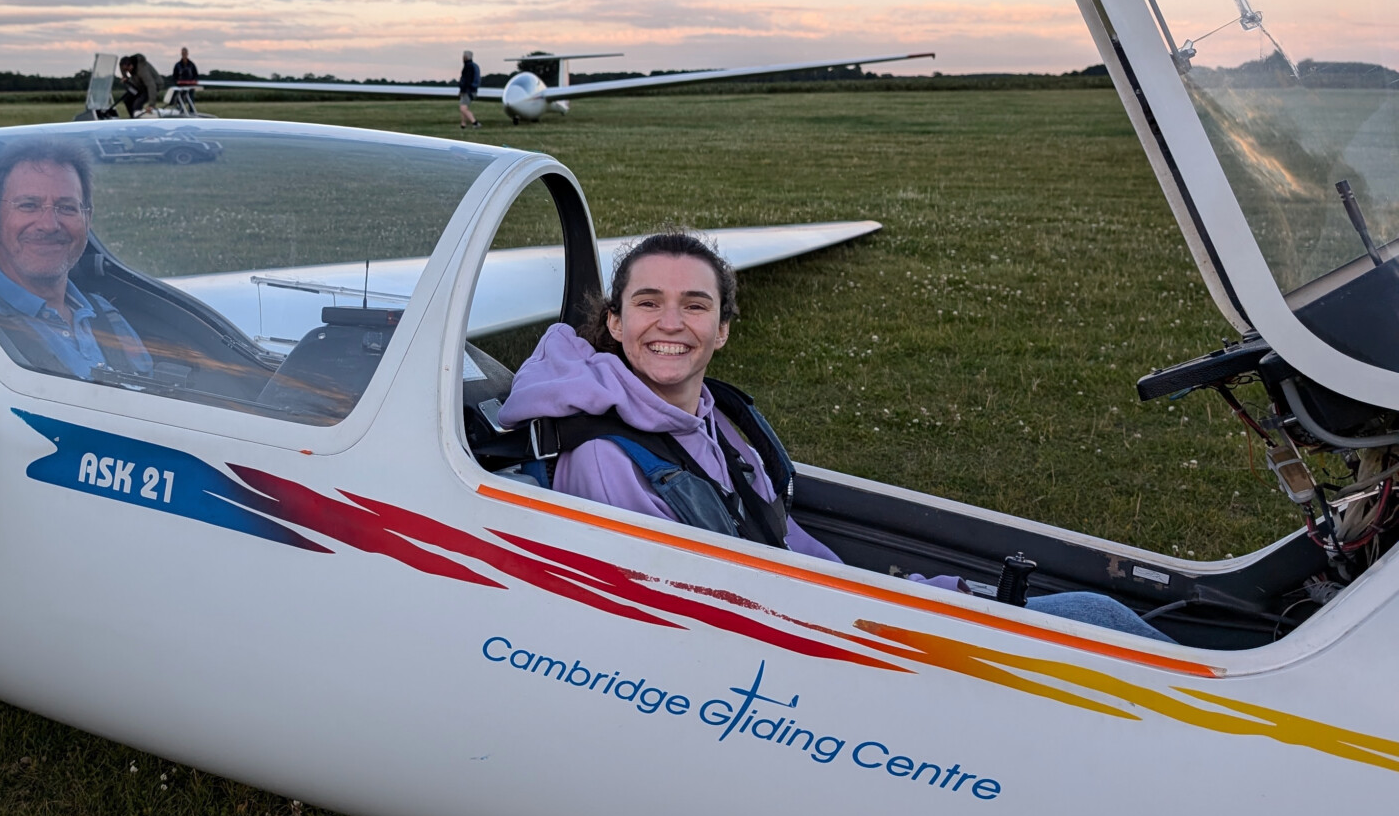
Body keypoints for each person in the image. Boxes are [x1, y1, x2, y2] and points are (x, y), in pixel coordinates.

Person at [498, 232, 1169, 641]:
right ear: (614, 323)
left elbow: (787, 545)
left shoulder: (717, 418)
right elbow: (691, 626)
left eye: (694, 305)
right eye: (648, 303)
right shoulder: (607, 462)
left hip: (825, 614)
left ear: (723, 330)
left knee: (1098, 610)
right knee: (1097, 619)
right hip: (800, 659)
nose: (669, 323)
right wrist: (913, 620)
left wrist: (930, 593)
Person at [0, 137, 151, 381]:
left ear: (87, 220)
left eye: (67, 208)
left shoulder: (103, 313)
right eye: (28, 205)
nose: (49, 225)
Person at [118, 53, 162, 118]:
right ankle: (133, 117)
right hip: (141, 85)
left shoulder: (142, 70)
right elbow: (122, 68)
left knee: (137, 104)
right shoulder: (129, 66)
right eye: (125, 70)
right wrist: (125, 77)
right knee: (127, 99)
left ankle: (138, 120)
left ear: (131, 65)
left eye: (127, 69)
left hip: (153, 86)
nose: (127, 71)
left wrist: (151, 105)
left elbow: (151, 85)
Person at [169, 46, 200, 115]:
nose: (184, 54)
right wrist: (177, 82)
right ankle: (181, 112)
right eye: (183, 53)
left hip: (190, 87)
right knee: (180, 101)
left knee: (191, 100)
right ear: (181, 54)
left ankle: (192, 113)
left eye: (185, 53)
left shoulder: (191, 65)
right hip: (181, 87)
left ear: (187, 54)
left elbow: (196, 75)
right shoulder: (177, 65)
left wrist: (193, 81)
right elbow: (174, 77)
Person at [458, 50, 482, 129]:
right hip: (473, 90)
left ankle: (475, 123)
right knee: (463, 107)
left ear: (465, 57)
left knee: (463, 108)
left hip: (468, 91)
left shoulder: (468, 67)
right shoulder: (474, 66)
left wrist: (462, 90)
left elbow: (466, 80)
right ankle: (463, 124)